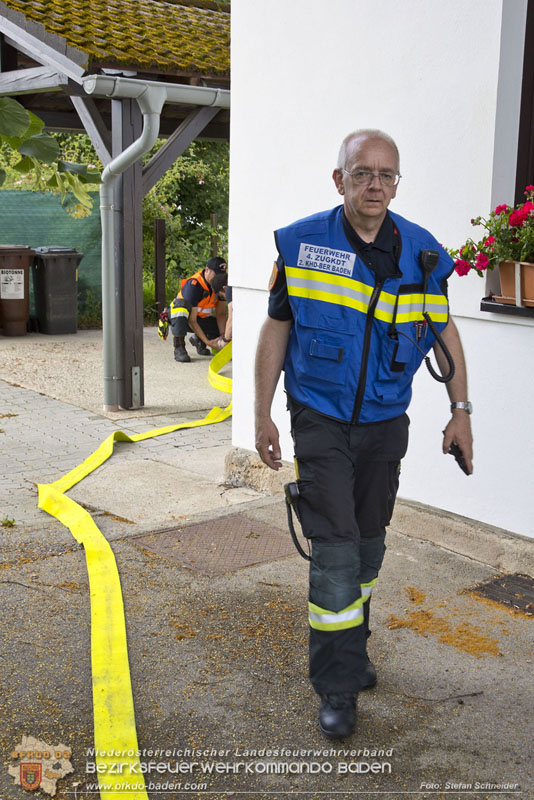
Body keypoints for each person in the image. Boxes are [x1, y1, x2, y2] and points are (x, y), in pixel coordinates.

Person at [254, 129, 473, 740]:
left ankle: (353, 642)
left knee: (369, 544)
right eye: (362, 174)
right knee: (336, 552)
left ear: (395, 182)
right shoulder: (302, 245)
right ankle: (337, 684)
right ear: (340, 180)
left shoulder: (423, 254)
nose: (375, 185)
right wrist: (262, 413)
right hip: (319, 419)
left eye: (386, 175)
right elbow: (275, 332)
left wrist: (462, 413)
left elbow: (446, 335)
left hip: (384, 424)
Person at [169, 256, 228, 363]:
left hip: (200, 319)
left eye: (221, 276)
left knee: (228, 326)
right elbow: (192, 321)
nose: (218, 279)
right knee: (180, 307)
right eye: (216, 275)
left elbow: (221, 314)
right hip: (182, 318)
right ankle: (179, 347)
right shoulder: (194, 286)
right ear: (207, 270)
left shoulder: (220, 284)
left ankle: (198, 339)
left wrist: (223, 336)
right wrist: (209, 342)